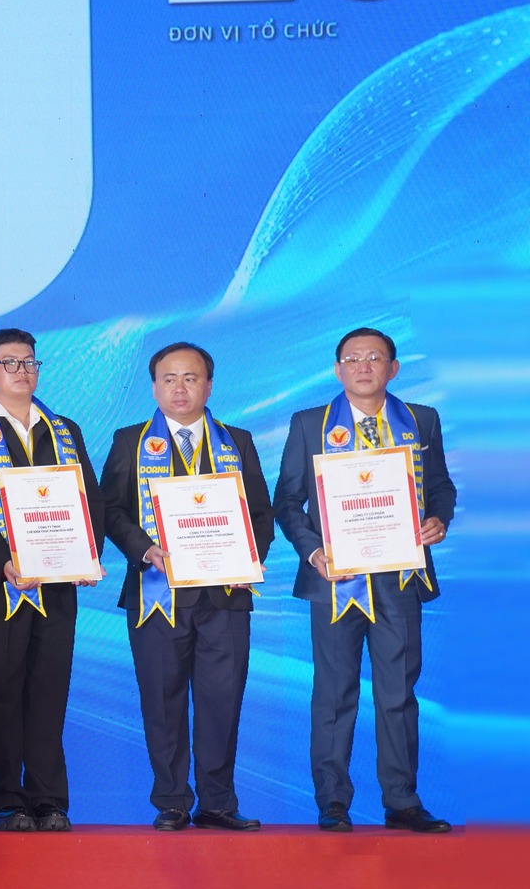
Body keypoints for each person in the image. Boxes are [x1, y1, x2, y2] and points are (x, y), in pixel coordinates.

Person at [273, 328, 455, 833]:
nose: (363, 366)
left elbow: (440, 486)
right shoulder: (309, 424)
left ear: (393, 368)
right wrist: (314, 552)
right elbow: (287, 501)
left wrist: (439, 518)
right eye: (352, 359)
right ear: (338, 370)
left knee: (398, 693)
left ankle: (402, 801)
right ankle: (332, 801)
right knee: (334, 695)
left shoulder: (421, 419)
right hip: (335, 579)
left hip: (400, 578)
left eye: (375, 357)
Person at [100, 342, 274, 832]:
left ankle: (217, 801)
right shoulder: (130, 441)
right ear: (155, 388)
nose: (180, 388)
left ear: (209, 386)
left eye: (191, 378)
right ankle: (172, 800)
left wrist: (248, 560)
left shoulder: (237, 441)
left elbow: (260, 513)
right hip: (155, 593)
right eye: (169, 379)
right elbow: (110, 509)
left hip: (225, 595)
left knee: (222, 701)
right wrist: (143, 548)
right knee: (162, 700)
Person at [0, 327, 102, 831]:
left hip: (56, 583)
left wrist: (87, 554)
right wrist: (1, 562)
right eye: (9, 362)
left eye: (30, 361)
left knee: (50, 690)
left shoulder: (64, 430)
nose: (22, 371)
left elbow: (88, 497)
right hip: (0, 586)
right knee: (0, 691)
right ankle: (6, 800)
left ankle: (49, 798)